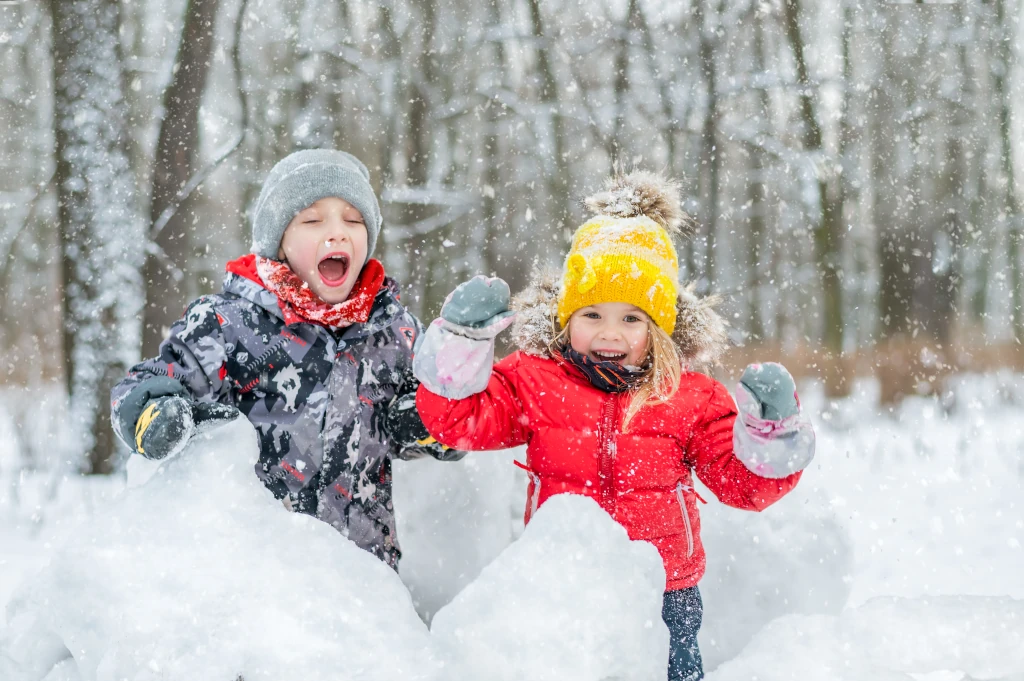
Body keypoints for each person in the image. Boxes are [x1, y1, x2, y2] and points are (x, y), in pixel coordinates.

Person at [412, 170, 815, 680]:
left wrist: (769, 437)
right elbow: (457, 421)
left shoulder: (690, 396)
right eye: (592, 314)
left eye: (632, 319)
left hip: (666, 592)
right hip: (562, 582)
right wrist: (461, 345)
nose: (609, 333)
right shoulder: (536, 380)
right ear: (565, 317)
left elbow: (744, 483)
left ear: (661, 327)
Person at [111, 148, 460, 569]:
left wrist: (438, 419)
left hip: (364, 577)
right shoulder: (228, 323)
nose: (337, 234)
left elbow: (431, 420)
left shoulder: (394, 332)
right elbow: (141, 386)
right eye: (312, 221)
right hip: (260, 576)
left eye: (353, 220)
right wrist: (155, 414)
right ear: (280, 241)